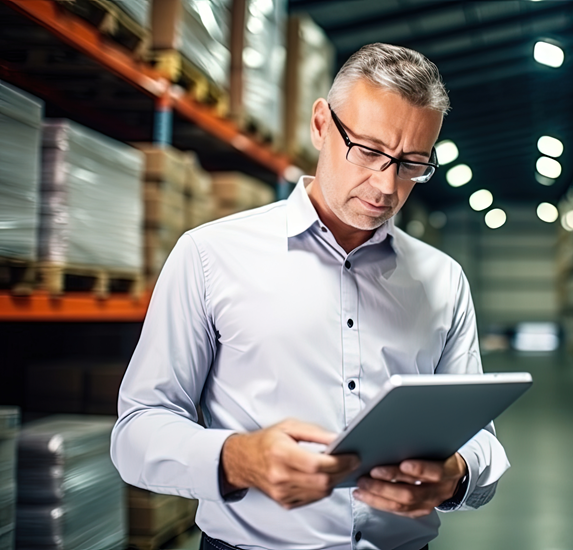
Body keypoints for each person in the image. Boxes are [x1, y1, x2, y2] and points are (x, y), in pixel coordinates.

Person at [111, 43, 509, 550]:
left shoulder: (442, 280)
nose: (386, 185)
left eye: (411, 164)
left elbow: (480, 439)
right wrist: (237, 458)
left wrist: (456, 474)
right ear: (321, 124)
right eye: (368, 151)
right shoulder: (210, 255)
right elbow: (137, 430)